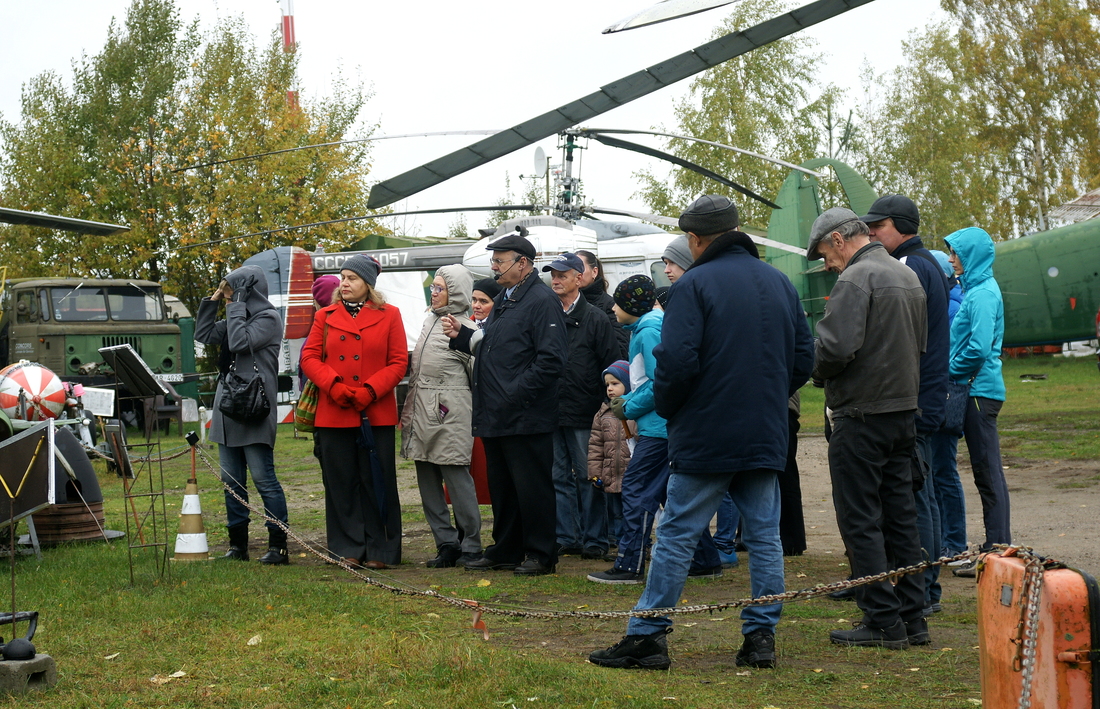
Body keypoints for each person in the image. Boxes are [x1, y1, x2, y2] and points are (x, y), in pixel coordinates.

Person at [589, 194, 813, 671]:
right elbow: (804, 361)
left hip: (707, 432)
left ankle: (648, 636)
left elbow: (677, 363)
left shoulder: (694, 286)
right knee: (765, 537)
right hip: (762, 431)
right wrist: (766, 398)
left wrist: (672, 409)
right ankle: (761, 640)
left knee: (675, 535)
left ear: (694, 239)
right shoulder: (779, 282)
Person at [808, 207, 929, 649]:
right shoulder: (906, 275)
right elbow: (922, 343)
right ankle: (913, 619)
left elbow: (835, 348)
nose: (826, 264)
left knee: (860, 519)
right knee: (901, 519)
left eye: (825, 253)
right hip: (901, 414)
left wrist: (816, 372)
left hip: (861, 415)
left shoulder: (856, 279)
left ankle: (882, 620)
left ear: (840, 240)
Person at [442, 231, 567, 576]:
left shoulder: (540, 300)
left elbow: (551, 360)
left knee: (532, 487)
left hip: (525, 414)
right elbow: (496, 346)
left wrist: (514, 395)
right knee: (505, 487)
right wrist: (463, 337)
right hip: (497, 412)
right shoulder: (509, 298)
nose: (494, 267)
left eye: (500, 261)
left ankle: (541, 553)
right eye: (493, 261)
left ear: (523, 263)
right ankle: (507, 547)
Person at [586, 274, 722, 586]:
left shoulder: (648, 331)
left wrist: (628, 406)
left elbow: (661, 381)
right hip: (659, 425)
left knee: (636, 490)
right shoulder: (646, 327)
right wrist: (629, 400)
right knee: (666, 495)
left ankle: (630, 564)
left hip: (658, 429)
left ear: (632, 305)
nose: (613, 308)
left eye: (618, 303)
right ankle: (704, 560)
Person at [863, 194, 950, 614]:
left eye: (878, 227)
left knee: (915, 497)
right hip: (926, 392)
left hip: (916, 397)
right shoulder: (927, 263)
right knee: (921, 493)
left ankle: (924, 589)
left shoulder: (911, 266)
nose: (873, 235)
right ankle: (920, 585)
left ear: (899, 226)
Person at [300, 254, 408, 570]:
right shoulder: (325, 316)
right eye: (343, 277)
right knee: (340, 483)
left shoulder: (390, 315)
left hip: (375, 413)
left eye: (352, 279)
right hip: (335, 412)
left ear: (368, 284)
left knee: (377, 480)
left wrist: (370, 391)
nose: (344, 284)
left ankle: (382, 549)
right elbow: (309, 358)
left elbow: (399, 362)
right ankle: (347, 547)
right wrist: (333, 386)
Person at [195, 264, 289, 565]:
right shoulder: (236, 316)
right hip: (228, 410)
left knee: (263, 478)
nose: (227, 299)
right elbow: (205, 333)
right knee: (231, 480)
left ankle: (278, 545)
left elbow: (238, 342)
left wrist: (235, 307)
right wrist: (213, 300)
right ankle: (238, 546)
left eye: (232, 293)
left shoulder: (268, 319)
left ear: (248, 291)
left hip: (254, 408)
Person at [400, 265, 482, 568]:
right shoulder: (428, 322)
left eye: (439, 288)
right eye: (431, 288)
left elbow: (478, 374)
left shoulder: (465, 328)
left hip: (451, 415)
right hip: (421, 413)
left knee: (457, 479)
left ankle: (471, 543)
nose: (433, 293)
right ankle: (445, 543)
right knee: (427, 480)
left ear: (455, 291)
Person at [544, 253, 621, 560]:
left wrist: (605, 405)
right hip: (551, 409)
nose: (556, 279)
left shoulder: (596, 318)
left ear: (579, 278)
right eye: (553, 274)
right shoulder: (545, 314)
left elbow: (611, 365)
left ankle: (595, 538)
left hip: (584, 410)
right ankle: (567, 536)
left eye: (562, 274)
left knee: (589, 477)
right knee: (558, 475)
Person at [944, 227, 1009, 578]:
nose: (952, 259)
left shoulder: (982, 294)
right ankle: (995, 549)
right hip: (977, 389)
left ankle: (997, 551)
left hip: (979, 391)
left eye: (956, 253)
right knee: (987, 472)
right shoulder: (975, 290)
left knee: (987, 472)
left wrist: (949, 371)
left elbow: (980, 347)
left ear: (972, 256)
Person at [929, 249, 969, 561]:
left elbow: (947, 352)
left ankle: (954, 541)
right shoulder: (950, 302)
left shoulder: (951, 307)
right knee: (938, 470)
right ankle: (944, 538)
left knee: (943, 470)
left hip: (945, 393)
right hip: (941, 391)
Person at [588, 360, 635, 548]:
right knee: (616, 512)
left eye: (615, 383)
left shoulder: (635, 412)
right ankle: (621, 544)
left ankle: (639, 544)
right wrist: (595, 472)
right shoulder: (602, 414)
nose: (610, 389)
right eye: (607, 384)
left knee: (633, 511)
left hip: (631, 474)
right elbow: (595, 446)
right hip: (611, 475)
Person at [576, 249, 628, 358]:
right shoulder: (563, 304)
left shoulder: (611, 306)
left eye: (580, 267)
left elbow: (619, 350)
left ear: (594, 272)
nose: (576, 273)